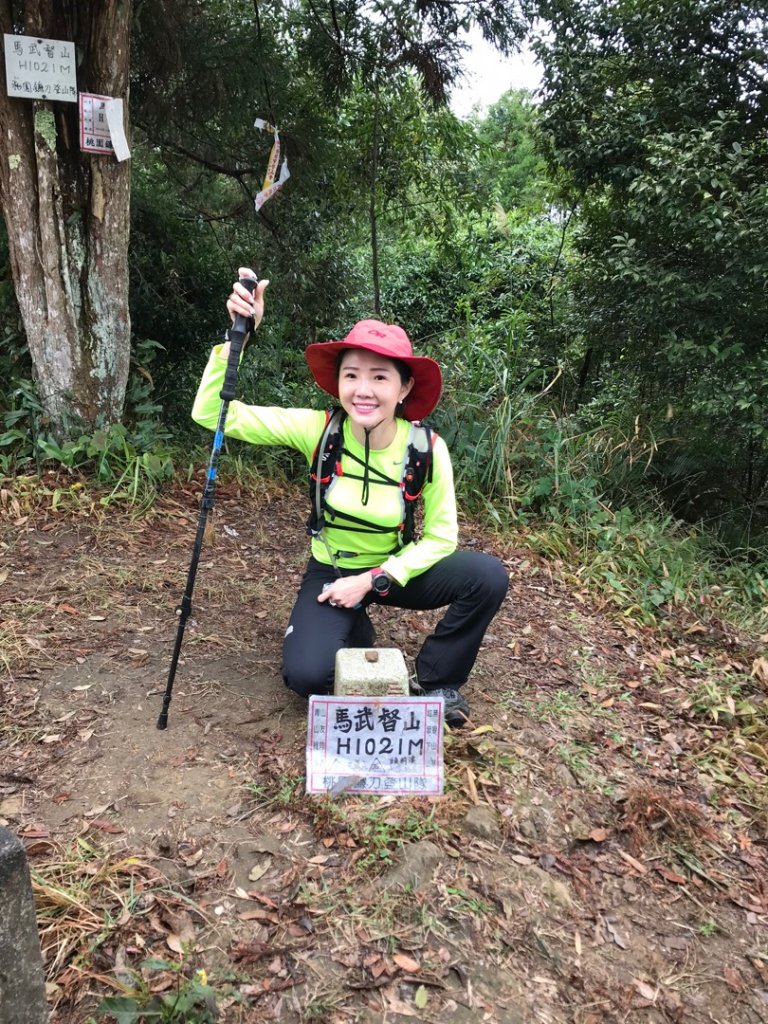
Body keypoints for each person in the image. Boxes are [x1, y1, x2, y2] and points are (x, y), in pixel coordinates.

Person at [191, 268, 509, 727]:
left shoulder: (427, 450)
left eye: (380, 377)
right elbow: (210, 413)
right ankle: (354, 627)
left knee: (486, 576)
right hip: (332, 570)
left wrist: (375, 580)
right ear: (337, 382)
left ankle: (439, 680)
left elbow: (442, 539)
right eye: (352, 375)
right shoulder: (316, 430)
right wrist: (237, 338)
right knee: (306, 676)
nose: (363, 390)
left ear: (403, 389)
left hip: (396, 569)